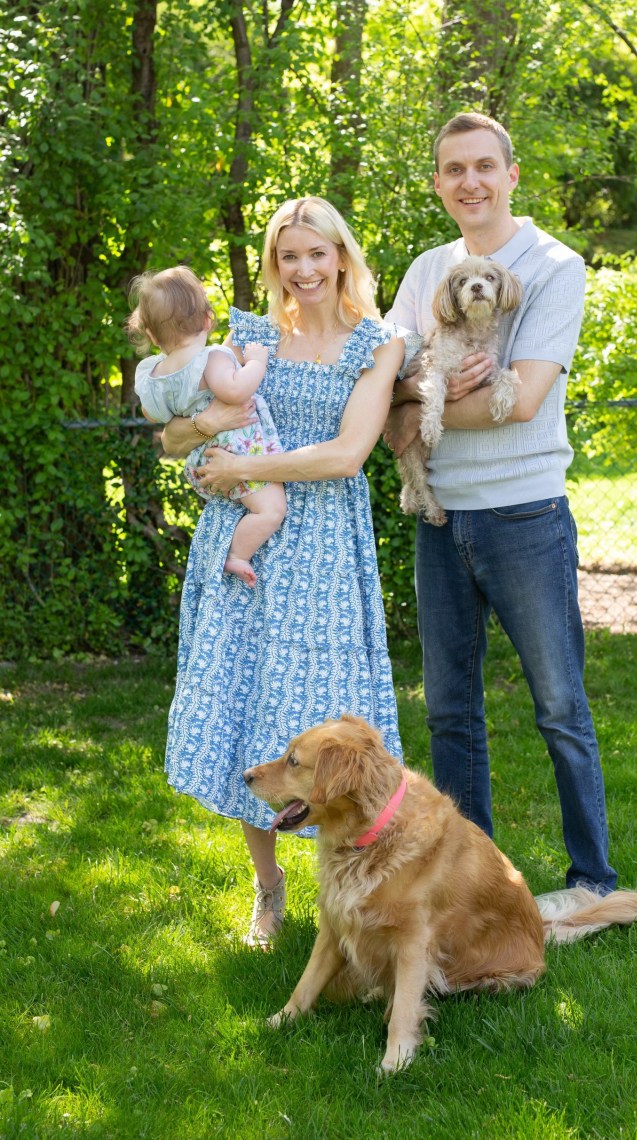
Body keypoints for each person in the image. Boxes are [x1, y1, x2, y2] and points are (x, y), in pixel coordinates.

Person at [160, 197, 405, 947]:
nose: (303, 271)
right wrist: (206, 435)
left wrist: (246, 464)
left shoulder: (378, 342)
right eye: (288, 256)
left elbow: (347, 455)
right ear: (275, 263)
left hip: (325, 547)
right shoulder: (251, 336)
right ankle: (268, 892)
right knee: (246, 706)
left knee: (324, 722)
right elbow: (172, 440)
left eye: (316, 254)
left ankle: (352, 891)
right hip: (246, 544)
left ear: (341, 257)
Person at [384, 112, 617, 894]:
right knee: (450, 712)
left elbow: (524, 399)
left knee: (560, 706)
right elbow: (385, 373)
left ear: (512, 174)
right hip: (441, 518)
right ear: (439, 183)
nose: (470, 182)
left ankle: (592, 878)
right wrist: (410, 400)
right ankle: (471, 883)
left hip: (524, 514)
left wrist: (416, 414)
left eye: (485, 166)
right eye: (455, 169)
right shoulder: (426, 272)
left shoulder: (553, 264)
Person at [128, 266, 286, 588]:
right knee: (271, 510)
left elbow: (152, 414)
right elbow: (236, 391)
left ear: (153, 335)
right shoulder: (211, 359)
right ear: (207, 320)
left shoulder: (152, 374)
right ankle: (237, 555)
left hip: (203, 461)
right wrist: (257, 361)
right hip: (238, 453)